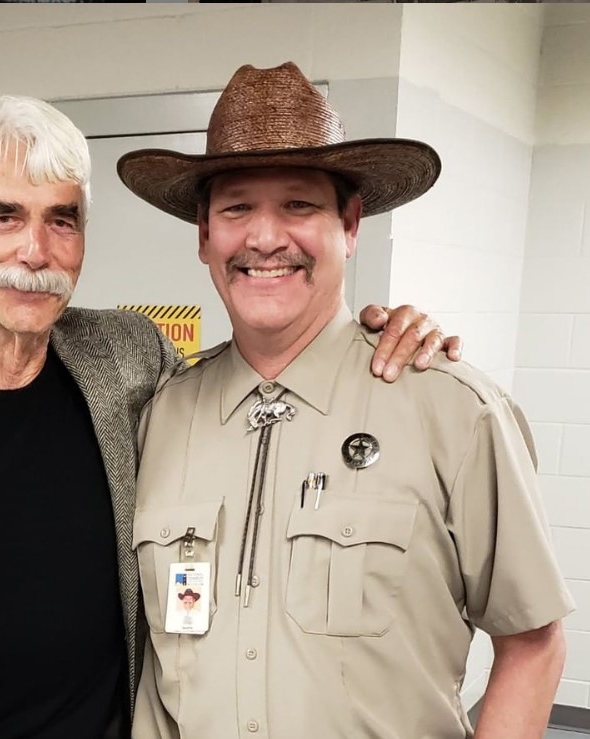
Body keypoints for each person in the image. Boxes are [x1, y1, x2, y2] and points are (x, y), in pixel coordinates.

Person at [0, 93, 459, 739]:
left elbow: (254, 384)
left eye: (61, 219)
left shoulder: (130, 359)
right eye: (4, 215)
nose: (35, 250)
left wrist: (367, 334)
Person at [121, 62, 574, 739]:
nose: (266, 238)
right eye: (237, 207)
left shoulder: (451, 410)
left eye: (299, 205)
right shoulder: (160, 418)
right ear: (204, 236)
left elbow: (534, 642)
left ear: (351, 223)